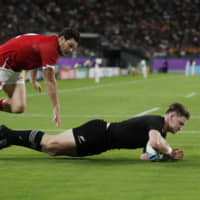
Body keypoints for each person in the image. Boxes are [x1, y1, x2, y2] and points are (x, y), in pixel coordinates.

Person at [0, 103, 190, 161]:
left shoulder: (159, 133)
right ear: (171, 116)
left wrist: (166, 156)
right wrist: (169, 152)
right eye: (180, 124)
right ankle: (6, 132)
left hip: (101, 145)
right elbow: (156, 144)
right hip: (98, 132)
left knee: (52, 150)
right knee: (49, 142)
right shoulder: (155, 122)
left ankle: (11, 139)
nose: (180, 129)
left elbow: (146, 155)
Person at [0, 28, 80, 127]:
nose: (70, 50)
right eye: (70, 46)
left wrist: (33, 80)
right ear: (62, 39)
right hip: (2, 63)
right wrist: (56, 106)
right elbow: (50, 81)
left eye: (73, 48)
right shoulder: (51, 48)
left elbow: (36, 57)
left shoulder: (47, 43)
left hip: (15, 69)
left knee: (18, 107)